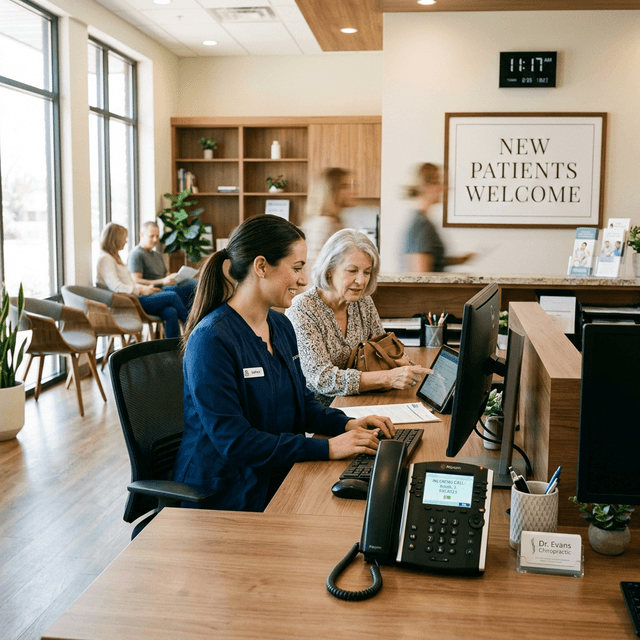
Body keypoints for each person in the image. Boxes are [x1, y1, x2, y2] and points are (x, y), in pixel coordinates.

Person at [172, 215, 394, 512]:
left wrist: (346, 423)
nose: (303, 280)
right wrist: (327, 447)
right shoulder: (211, 340)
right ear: (261, 266)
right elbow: (235, 442)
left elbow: (302, 405)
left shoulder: (280, 325)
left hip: (277, 472)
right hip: (226, 492)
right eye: (297, 268)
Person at [286, 228, 431, 407]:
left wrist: (405, 364)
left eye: (367, 272)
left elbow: (383, 347)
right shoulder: (302, 309)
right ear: (329, 269)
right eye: (352, 271)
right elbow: (322, 378)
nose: (361, 281)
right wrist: (388, 378)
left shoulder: (363, 302)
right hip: (321, 413)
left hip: (360, 402)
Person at [96, 222, 188, 339]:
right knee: (172, 295)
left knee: (171, 312)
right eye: (124, 238)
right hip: (131, 301)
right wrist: (140, 291)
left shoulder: (114, 258)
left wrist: (146, 289)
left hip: (136, 297)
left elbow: (129, 283)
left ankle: (173, 350)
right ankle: (191, 329)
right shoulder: (105, 259)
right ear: (115, 239)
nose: (126, 241)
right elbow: (116, 286)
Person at [404, 163, 475, 272]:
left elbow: (431, 261)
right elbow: (421, 278)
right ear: (425, 187)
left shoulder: (422, 221)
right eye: (438, 182)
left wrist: (457, 260)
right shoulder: (422, 225)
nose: (444, 188)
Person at [127, 221, 197, 309]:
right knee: (194, 284)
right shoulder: (136, 254)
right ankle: (192, 320)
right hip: (155, 291)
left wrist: (174, 277)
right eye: (152, 236)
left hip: (167, 287)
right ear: (141, 235)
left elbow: (166, 274)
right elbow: (136, 280)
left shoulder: (157, 255)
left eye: (157, 236)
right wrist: (162, 281)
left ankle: (192, 319)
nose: (155, 239)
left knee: (187, 297)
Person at [302, 167, 355, 270]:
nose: (352, 191)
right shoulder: (323, 225)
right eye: (345, 186)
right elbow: (315, 270)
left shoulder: (335, 222)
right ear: (332, 191)